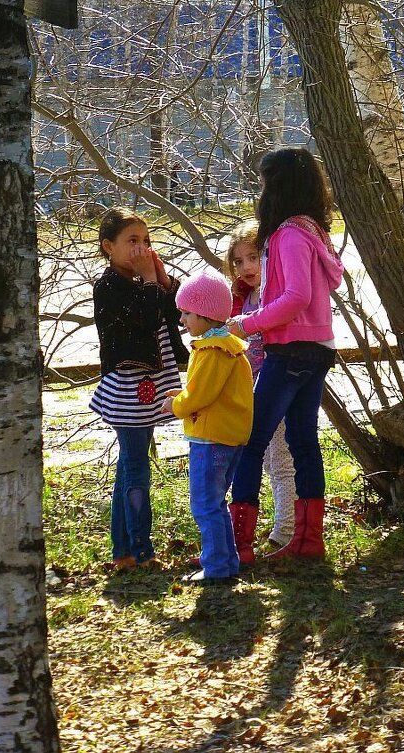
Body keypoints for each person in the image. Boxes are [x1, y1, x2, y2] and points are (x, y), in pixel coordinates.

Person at [225, 148, 343, 563]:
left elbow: (296, 297)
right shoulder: (313, 231)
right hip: (318, 349)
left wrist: (249, 323)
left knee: (251, 440)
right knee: (303, 441)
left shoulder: (290, 235)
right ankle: (308, 541)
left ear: (278, 186)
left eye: (264, 183)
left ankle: (239, 545)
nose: (261, 192)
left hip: (290, 351)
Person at [90, 206, 188, 571]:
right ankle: (142, 551)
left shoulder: (142, 283)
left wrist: (163, 281)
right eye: (132, 240)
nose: (142, 248)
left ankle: (124, 551)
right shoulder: (108, 287)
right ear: (108, 247)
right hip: (129, 392)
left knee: (129, 467)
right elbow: (146, 322)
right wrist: (149, 282)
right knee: (136, 470)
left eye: (146, 240)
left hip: (149, 387)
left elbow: (178, 314)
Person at [161, 270, 254, 584]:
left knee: (204, 504)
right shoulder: (228, 348)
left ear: (205, 314)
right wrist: (184, 394)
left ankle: (215, 567)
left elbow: (200, 395)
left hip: (210, 438)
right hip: (228, 435)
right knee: (216, 503)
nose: (182, 320)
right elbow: (211, 391)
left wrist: (176, 405)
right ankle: (226, 562)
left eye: (187, 313)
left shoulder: (212, 351)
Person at [224, 220, 297, 551]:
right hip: (252, 386)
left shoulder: (274, 292)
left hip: (277, 382)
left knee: (280, 458)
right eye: (238, 261)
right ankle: (283, 524)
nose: (246, 267)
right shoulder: (242, 297)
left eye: (253, 257)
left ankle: (286, 532)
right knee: (266, 459)